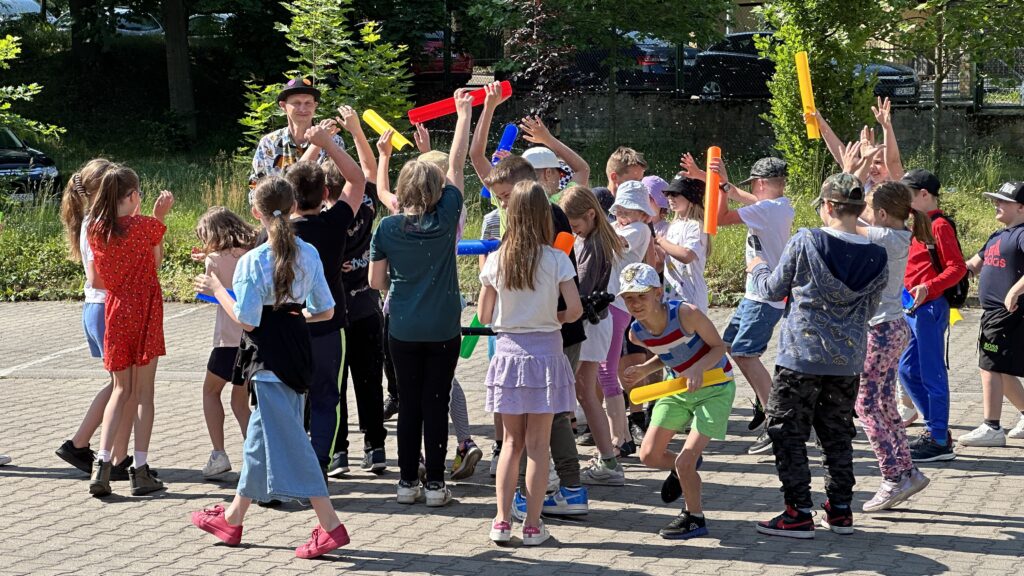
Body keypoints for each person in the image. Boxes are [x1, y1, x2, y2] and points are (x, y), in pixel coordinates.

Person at [191, 176, 349, 559]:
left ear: (255, 213)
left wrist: (217, 291)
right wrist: (295, 319)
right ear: (293, 206)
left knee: (293, 441)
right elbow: (325, 309)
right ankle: (232, 518)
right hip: (297, 348)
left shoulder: (252, 260)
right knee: (259, 442)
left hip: (267, 353)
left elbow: (247, 320)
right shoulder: (308, 252)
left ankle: (331, 526)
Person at [750, 173, 888, 539]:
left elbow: (772, 289)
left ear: (828, 206)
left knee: (786, 430)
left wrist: (757, 266)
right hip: (847, 360)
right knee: (837, 432)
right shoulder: (878, 254)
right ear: (859, 208)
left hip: (801, 356)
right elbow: (870, 308)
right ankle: (840, 510)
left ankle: (797, 512)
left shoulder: (806, 240)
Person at [369, 89, 473, 507]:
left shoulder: (388, 228)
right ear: (437, 189)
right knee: (436, 403)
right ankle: (435, 486)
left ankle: (406, 483)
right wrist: (463, 114)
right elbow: (456, 165)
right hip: (444, 324)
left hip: (404, 326)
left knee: (409, 404)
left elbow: (377, 282)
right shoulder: (448, 215)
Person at [479, 181, 583, 546]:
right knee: (539, 445)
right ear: (543, 215)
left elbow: (483, 312)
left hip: (508, 353)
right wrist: (553, 319)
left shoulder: (496, 259)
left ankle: (501, 521)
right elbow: (575, 309)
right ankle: (534, 526)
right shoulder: (556, 258)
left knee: (511, 443)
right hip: (547, 354)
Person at [270, 118, 366, 480]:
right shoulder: (336, 221)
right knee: (328, 397)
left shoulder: (278, 229)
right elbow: (357, 179)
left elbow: (279, 187)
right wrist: (330, 143)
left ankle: (291, 462)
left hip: (289, 324)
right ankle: (319, 464)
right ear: (327, 194)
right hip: (329, 324)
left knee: (293, 398)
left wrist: (313, 147)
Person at [683, 153, 794, 454]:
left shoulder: (766, 210)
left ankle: (776, 419)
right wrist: (711, 179)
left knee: (745, 354)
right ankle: (764, 401)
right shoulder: (778, 205)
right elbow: (741, 195)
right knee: (728, 344)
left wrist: (719, 186)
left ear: (760, 183)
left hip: (763, 298)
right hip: (755, 294)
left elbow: (719, 218)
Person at [620, 263, 734, 540]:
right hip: (678, 388)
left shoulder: (687, 314)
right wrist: (644, 370)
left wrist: (698, 368)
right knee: (648, 455)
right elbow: (670, 353)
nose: (635, 304)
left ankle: (694, 518)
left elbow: (720, 347)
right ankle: (685, 470)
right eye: (629, 298)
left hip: (716, 386)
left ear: (658, 293)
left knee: (685, 461)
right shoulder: (637, 332)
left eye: (641, 296)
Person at [86, 165, 173, 497]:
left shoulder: (97, 229)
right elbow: (156, 262)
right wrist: (158, 216)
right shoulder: (146, 226)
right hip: (146, 310)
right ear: (134, 195)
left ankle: (102, 464)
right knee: (144, 394)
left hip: (116, 310)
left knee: (120, 389)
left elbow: (101, 277)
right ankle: (139, 469)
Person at [56, 159, 136, 481]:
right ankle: (83, 446)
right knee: (123, 386)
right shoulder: (97, 224)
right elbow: (98, 278)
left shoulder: (94, 220)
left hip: (98, 309)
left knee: (122, 386)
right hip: (105, 309)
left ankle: (113, 455)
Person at [855, 181, 932, 511]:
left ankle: (892, 477)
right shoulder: (897, 234)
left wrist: (851, 173)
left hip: (881, 331)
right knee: (883, 403)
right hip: (892, 328)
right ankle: (908, 472)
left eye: (871, 210)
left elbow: (835, 222)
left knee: (866, 405)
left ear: (883, 214)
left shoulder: (884, 236)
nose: (867, 215)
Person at [323, 106, 389, 477]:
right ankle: (376, 447)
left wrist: (321, 143)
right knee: (369, 380)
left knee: (335, 382)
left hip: (332, 310)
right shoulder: (364, 205)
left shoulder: (322, 218)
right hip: (365, 305)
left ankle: (338, 453)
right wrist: (356, 132)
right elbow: (366, 172)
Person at [582, 180, 654, 485]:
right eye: (619, 210)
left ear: (640, 211)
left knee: (606, 372)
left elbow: (613, 240)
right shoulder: (625, 227)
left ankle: (618, 439)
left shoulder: (638, 230)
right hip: (615, 304)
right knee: (605, 371)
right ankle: (621, 436)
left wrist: (595, 219)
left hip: (616, 306)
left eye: (626, 210)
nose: (621, 215)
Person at [899, 168, 968, 462]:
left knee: (932, 373)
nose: (903, 201)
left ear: (923, 194)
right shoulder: (917, 222)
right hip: (912, 307)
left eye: (908, 195)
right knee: (906, 370)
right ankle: (935, 430)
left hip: (929, 308)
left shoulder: (938, 225)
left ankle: (939, 439)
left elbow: (957, 267)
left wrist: (929, 287)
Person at [957, 182, 1024, 446]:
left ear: (1020, 207)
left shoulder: (1021, 234)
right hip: (992, 314)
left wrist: (1016, 290)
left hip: (1008, 312)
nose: (997, 204)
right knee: (1001, 369)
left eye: (1003, 201)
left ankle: (991, 427)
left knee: (989, 366)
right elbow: (972, 265)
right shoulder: (997, 235)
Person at [193, 207, 257, 478]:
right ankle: (257, 452)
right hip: (250, 340)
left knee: (210, 392)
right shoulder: (253, 251)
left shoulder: (215, 260)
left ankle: (218, 453)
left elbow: (211, 295)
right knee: (240, 402)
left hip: (226, 340)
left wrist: (205, 284)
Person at [249, 77, 345, 186]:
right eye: (296, 103)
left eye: (308, 103)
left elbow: (339, 186)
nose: (303, 109)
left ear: (315, 106)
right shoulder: (268, 143)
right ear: (283, 106)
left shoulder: (333, 140)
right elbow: (255, 186)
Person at [655, 175, 710, 313]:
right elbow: (668, 255)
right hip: (671, 295)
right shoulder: (674, 225)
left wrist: (661, 241)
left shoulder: (695, 226)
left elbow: (687, 255)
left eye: (675, 194)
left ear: (690, 198)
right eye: (668, 194)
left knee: (692, 334)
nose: (669, 198)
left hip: (691, 297)